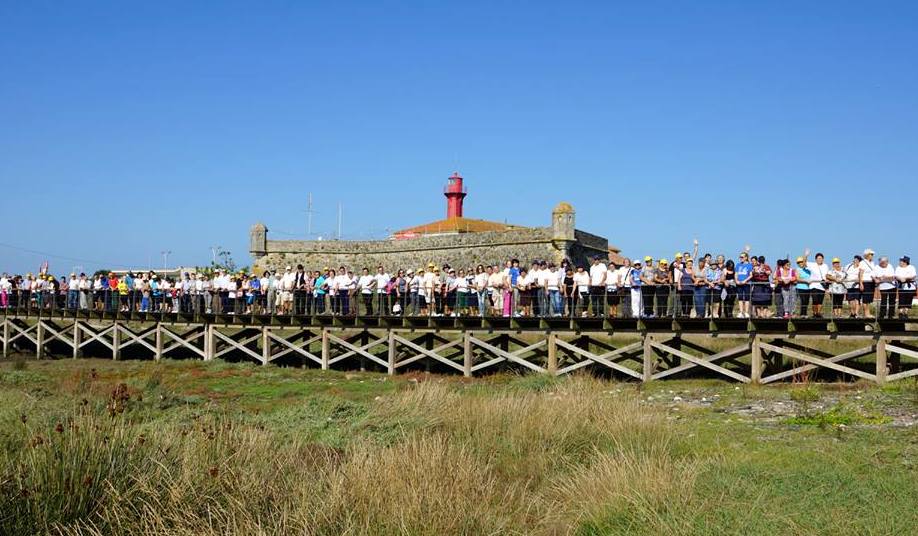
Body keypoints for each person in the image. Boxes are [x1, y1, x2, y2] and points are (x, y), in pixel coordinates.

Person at [860, 249, 877, 318]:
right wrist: (861, 283)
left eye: (872, 254)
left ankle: (868, 313)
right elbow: (861, 273)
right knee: (865, 299)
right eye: (871, 254)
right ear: (867, 255)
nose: (872, 256)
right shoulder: (862, 263)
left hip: (871, 282)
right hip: (865, 282)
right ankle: (866, 314)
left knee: (869, 299)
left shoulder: (872, 263)